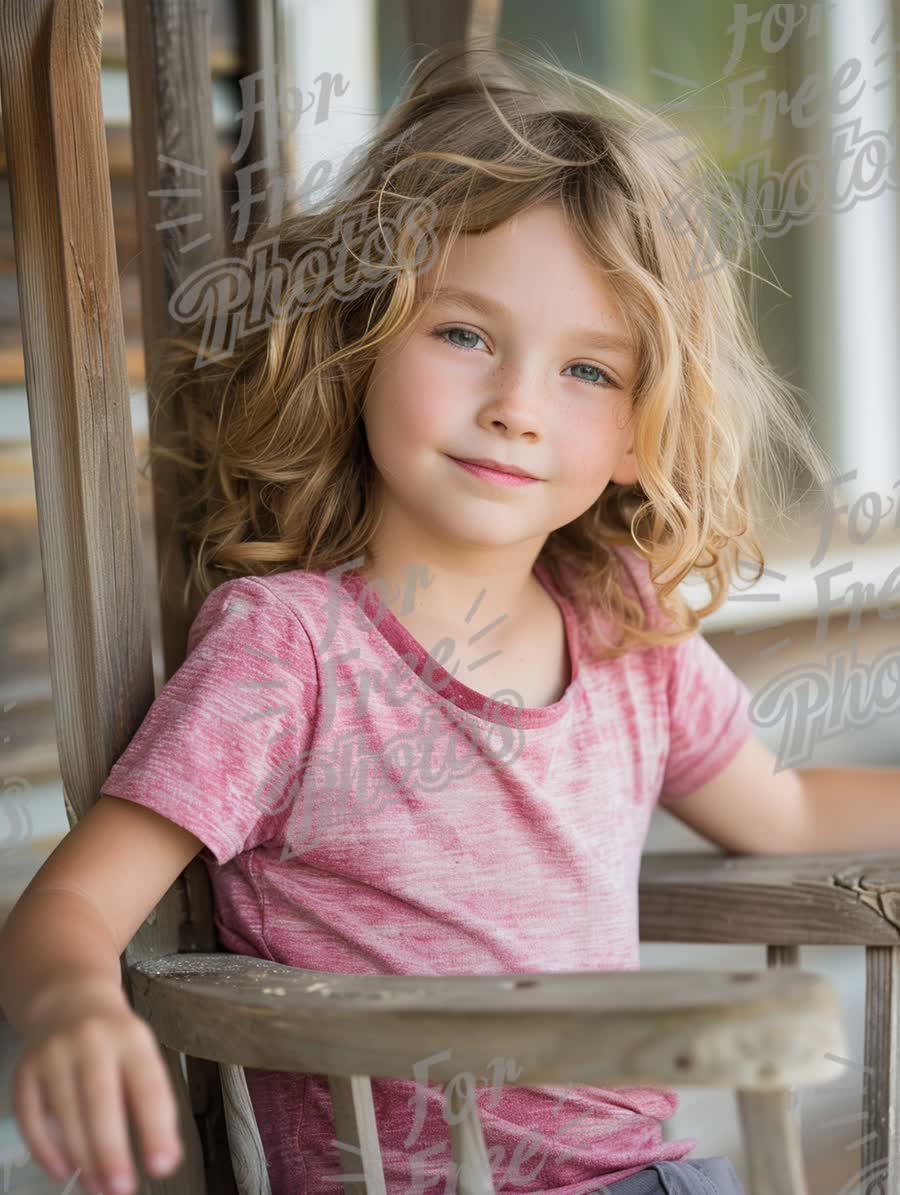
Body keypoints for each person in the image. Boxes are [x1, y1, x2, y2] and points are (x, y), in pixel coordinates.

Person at [0, 37, 837, 1195]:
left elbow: (783, 809)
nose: (514, 408)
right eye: (463, 334)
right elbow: (75, 904)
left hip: (650, 1176)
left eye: (588, 371)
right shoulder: (289, 649)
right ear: (361, 341)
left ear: (644, 431)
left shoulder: (620, 625)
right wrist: (76, 1009)